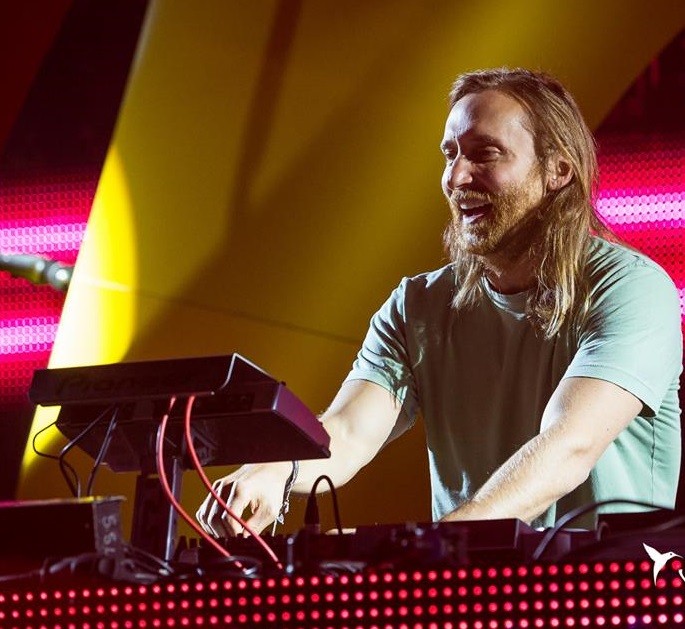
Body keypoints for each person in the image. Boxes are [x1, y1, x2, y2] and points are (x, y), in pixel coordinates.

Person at [197, 67, 682, 537]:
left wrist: (433, 550)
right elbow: (347, 433)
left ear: (557, 170)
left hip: (609, 587)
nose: (457, 177)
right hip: (466, 584)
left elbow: (569, 445)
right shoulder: (417, 306)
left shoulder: (631, 288)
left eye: (485, 154)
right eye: (451, 155)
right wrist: (275, 471)